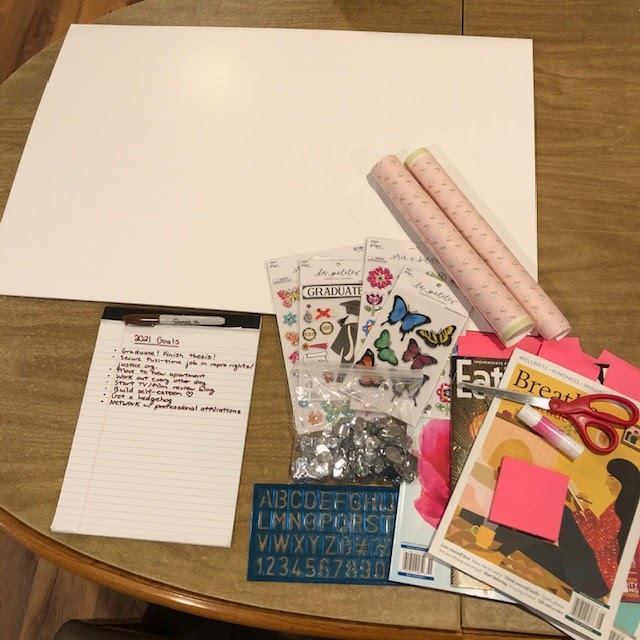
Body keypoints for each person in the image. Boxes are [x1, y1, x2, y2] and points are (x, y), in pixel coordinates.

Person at [518, 458, 640, 599]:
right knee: (533, 547)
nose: (607, 483)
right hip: (593, 574)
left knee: (564, 512)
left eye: (611, 479)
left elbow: (595, 542)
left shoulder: (623, 511)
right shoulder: (621, 505)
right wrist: (585, 510)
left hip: (595, 578)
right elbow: (601, 532)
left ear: (624, 482)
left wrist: (576, 513)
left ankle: (521, 516)